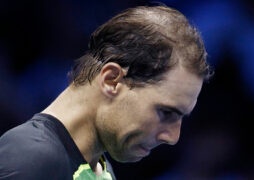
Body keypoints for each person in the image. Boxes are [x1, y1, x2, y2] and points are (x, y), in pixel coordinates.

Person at [0, 4, 212, 180]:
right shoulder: (32, 161)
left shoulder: (101, 170)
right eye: (166, 112)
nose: (173, 137)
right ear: (111, 80)